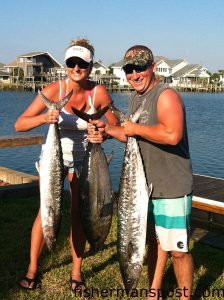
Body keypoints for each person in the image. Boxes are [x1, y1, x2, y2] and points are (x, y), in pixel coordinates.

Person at [89, 45, 194, 299]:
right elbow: (132, 135)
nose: (135, 74)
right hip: (143, 189)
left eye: (140, 68)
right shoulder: (136, 98)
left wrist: (134, 130)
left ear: (153, 67)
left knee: (177, 250)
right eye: (129, 69)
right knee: (153, 243)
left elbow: (172, 134)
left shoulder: (165, 95)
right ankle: (154, 292)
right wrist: (106, 131)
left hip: (171, 187)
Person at [15, 37, 118, 291]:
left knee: (78, 214)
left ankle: (76, 273)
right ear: (66, 65)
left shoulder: (99, 93)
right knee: (46, 212)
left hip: (85, 159)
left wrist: (103, 132)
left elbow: (116, 126)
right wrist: (44, 117)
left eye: (81, 63)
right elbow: (19, 124)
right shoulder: (54, 91)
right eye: (71, 62)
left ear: (90, 66)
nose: (76, 68)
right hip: (53, 157)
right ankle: (32, 268)